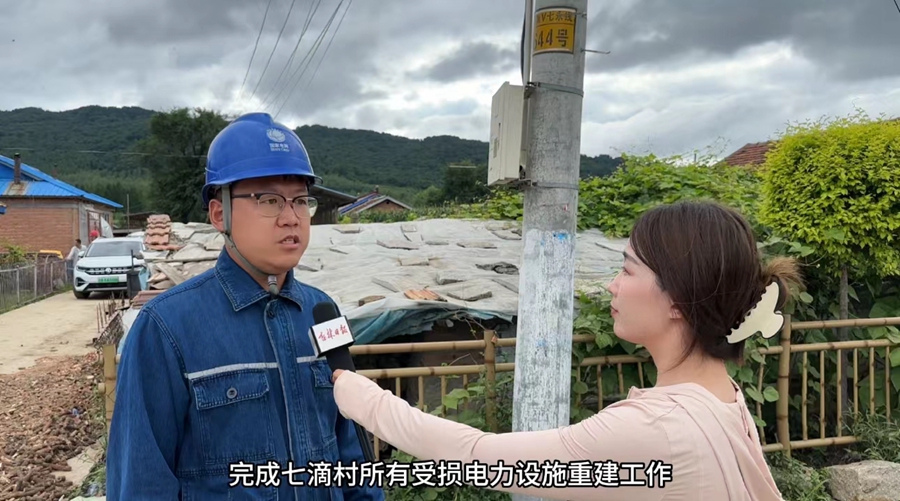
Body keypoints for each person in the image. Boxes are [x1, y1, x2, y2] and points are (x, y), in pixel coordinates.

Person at [331, 201, 801, 501]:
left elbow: (476, 455)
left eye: (628, 270)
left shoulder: (656, 428)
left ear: (678, 299)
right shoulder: (723, 397)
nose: (613, 285)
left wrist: (364, 399)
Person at [106, 112, 384, 501]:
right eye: (269, 200)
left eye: (300, 201)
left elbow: (350, 448)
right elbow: (142, 483)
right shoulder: (166, 328)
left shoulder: (323, 312)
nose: (291, 218)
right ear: (220, 213)